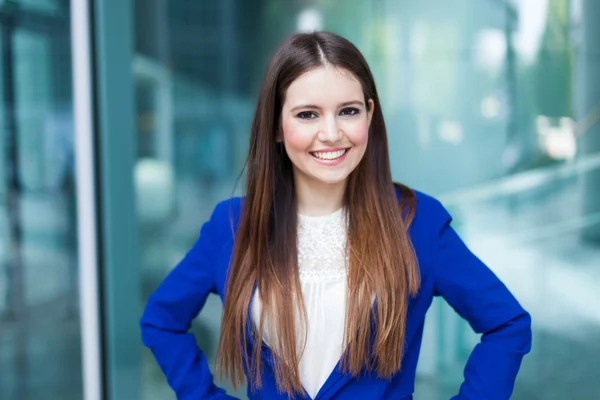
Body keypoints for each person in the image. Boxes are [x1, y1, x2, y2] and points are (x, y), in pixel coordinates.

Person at [140, 31, 532, 400]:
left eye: (347, 111)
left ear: (369, 115)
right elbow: (161, 321)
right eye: (308, 114)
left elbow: (507, 325)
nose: (331, 133)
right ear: (277, 126)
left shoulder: (418, 223)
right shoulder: (231, 227)